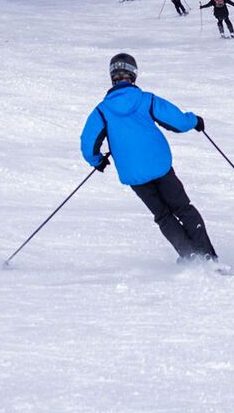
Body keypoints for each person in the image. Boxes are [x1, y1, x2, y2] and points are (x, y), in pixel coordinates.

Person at [80, 54, 216, 263]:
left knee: (162, 215)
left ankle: (189, 256)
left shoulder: (102, 111)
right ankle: (207, 256)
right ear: (133, 74)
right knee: (183, 208)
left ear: (112, 77)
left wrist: (98, 160)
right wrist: (194, 121)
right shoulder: (146, 100)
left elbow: (88, 145)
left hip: (134, 174)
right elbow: (177, 121)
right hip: (159, 165)